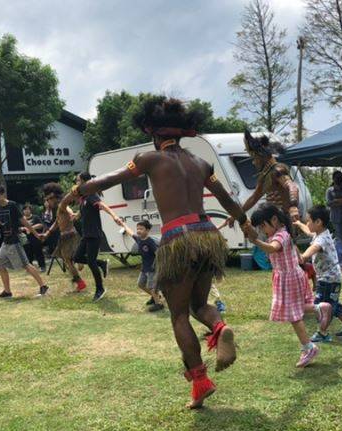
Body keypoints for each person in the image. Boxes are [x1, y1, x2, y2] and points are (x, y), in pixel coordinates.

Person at [74, 96, 253, 409]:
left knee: (180, 315)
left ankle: (200, 382)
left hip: (178, 240)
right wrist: (244, 223)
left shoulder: (148, 159)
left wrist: (80, 190)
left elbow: (112, 178)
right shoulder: (202, 165)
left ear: (155, 135)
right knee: (200, 304)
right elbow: (226, 199)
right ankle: (221, 328)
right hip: (207, 236)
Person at [249, 204, 330, 368]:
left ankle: (309, 348)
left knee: (294, 316)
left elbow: (273, 248)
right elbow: (292, 251)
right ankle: (319, 308)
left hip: (288, 278)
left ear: (274, 220)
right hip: (291, 275)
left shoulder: (280, 235)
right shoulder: (284, 232)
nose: (263, 230)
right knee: (296, 307)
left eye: (263, 226)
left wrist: (255, 241)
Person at [294, 205, 342, 342]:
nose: (307, 223)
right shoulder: (321, 233)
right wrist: (299, 223)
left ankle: (322, 333)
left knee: (322, 306)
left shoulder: (321, 240)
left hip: (328, 280)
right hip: (332, 278)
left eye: (308, 221)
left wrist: (296, 252)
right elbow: (308, 231)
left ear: (318, 222)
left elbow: (307, 254)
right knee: (333, 303)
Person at [0, 184, 49, 299]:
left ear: (3, 194)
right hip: (6, 241)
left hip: (15, 241)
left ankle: (43, 286)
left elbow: (24, 222)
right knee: (0, 265)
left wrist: (36, 234)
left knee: (26, 265)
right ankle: (7, 292)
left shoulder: (12, 205)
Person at [73, 172, 120, 302]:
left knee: (92, 262)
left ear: (84, 182)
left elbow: (102, 205)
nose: (76, 183)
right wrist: (77, 215)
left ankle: (100, 289)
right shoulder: (84, 198)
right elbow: (86, 211)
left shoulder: (92, 195)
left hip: (94, 234)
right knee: (77, 257)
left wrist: (114, 215)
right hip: (86, 234)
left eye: (77, 180)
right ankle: (103, 263)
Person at [40, 182, 87, 292]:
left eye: (48, 199)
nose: (47, 202)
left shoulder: (62, 205)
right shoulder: (58, 208)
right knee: (67, 260)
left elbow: (68, 207)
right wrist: (47, 233)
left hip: (69, 236)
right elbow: (57, 221)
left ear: (53, 197)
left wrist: (73, 191)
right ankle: (79, 278)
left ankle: (80, 282)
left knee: (68, 260)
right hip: (66, 237)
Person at [117, 218, 164, 312]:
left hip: (152, 268)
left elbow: (158, 254)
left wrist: (159, 265)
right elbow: (130, 232)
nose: (138, 230)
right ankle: (155, 296)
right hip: (144, 267)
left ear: (147, 230)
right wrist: (123, 224)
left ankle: (159, 304)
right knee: (141, 284)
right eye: (137, 228)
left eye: (141, 229)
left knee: (152, 287)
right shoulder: (138, 239)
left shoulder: (150, 241)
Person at [22, 204, 46, 272]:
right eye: (25, 209)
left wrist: (31, 228)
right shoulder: (22, 219)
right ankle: (30, 268)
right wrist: (24, 228)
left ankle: (42, 266)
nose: (26, 211)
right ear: (23, 211)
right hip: (25, 239)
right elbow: (18, 228)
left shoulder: (35, 217)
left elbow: (41, 225)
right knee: (28, 254)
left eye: (28, 209)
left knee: (38, 252)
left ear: (30, 210)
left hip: (35, 238)